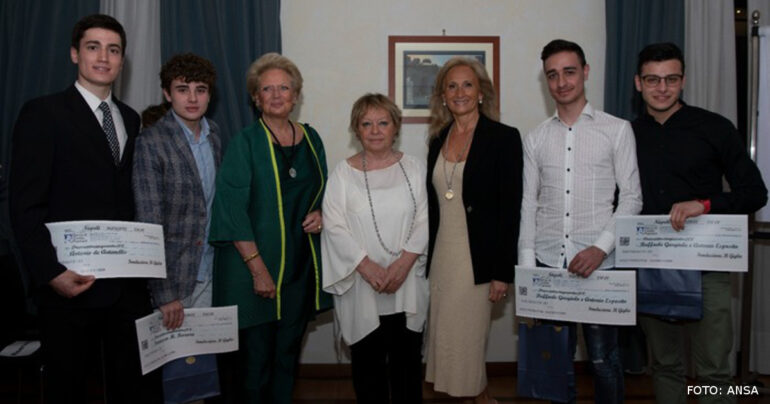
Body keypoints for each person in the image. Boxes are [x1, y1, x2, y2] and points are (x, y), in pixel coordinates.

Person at [8, 14, 160, 403]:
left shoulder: (129, 118)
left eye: (114, 50)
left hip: (125, 288)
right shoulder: (42, 113)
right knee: (69, 388)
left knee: (135, 388)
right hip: (69, 285)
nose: (104, 58)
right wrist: (51, 272)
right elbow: (25, 205)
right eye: (93, 47)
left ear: (122, 60)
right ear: (75, 54)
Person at [632, 42, 767, 404]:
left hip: (708, 268)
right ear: (638, 83)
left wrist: (705, 204)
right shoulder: (624, 136)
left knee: (715, 372)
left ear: (683, 80)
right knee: (663, 366)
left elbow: (755, 193)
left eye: (671, 79)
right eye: (653, 79)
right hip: (653, 267)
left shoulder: (715, 128)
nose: (662, 88)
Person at [518, 39, 643, 403]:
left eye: (569, 72)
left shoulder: (617, 130)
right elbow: (528, 203)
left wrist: (600, 249)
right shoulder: (536, 138)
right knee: (552, 362)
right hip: (547, 263)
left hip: (601, 266)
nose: (562, 82)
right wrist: (528, 270)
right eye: (552, 75)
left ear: (585, 73)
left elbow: (632, 197)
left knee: (605, 361)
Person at [208, 52, 332, 403]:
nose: (276, 95)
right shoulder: (245, 143)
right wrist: (258, 269)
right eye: (267, 89)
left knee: (286, 356)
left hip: (298, 269)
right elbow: (231, 210)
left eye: (284, 88)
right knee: (254, 362)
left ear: (296, 95)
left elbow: (324, 192)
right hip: (254, 270)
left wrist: (321, 212)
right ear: (255, 97)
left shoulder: (312, 139)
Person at [424, 57, 522, 404]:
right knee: (447, 339)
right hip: (441, 259)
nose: (459, 92)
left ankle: (476, 397)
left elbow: (511, 211)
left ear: (481, 93)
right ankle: (476, 397)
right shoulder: (437, 139)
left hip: (477, 259)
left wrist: (502, 272)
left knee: (466, 339)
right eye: (452, 86)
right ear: (443, 96)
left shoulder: (504, 138)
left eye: (467, 85)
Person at [322, 93, 429, 403]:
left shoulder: (415, 168)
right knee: (367, 371)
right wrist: (367, 267)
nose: (375, 130)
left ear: (395, 126)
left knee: (407, 368)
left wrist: (403, 264)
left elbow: (425, 218)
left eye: (383, 122)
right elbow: (334, 225)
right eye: (366, 123)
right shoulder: (343, 174)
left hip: (406, 282)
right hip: (361, 285)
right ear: (357, 130)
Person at [133, 53, 222, 403]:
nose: (193, 98)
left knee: (203, 373)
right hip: (175, 278)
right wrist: (163, 291)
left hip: (212, 271)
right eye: (183, 89)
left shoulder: (215, 137)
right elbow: (148, 221)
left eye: (201, 90)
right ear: (168, 94)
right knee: (174, 379)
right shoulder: (151, 142)